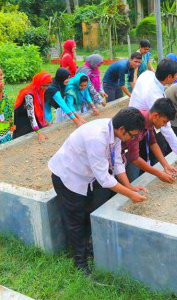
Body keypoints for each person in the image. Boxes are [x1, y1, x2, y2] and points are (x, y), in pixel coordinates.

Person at [48, 107, 149, 275]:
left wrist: (129, 186)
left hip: (85, 177)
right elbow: (105, 179)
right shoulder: (97, 137)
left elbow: (117, 162)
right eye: (131, 135)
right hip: (68, 177)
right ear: (122, 129)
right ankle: (80, 264)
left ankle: (88, 249)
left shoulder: (114, 132)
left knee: (87, 213)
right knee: (76, 220)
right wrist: (130, 194)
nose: (132, 138)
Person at [129, 58, 177, 171]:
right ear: (169, 77)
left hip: (137, 116)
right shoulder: (155, 95)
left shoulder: (148, 74)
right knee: (137, 154)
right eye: (176, 75)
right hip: (137, 124)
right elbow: (167, 129)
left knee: (151, 145)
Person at [124, 98, 177, 183]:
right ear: (155, 116)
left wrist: (165, 165)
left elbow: (153, 142)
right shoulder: (137, 124)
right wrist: (159, 174)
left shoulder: (149, 120)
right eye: (164, 121)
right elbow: (134, 158)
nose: (164, 125)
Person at [13, 71, 52, 141]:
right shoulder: (29, 95)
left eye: (48, 86)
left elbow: (39, 109)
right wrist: (39, 133)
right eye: (44, 85)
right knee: (23, 137)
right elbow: (31, 115)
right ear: (39, 83)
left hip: (31, 115)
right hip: (23, 116)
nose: (46, 88)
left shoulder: (39, 91)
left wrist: (45, 121)